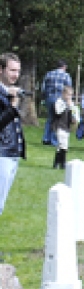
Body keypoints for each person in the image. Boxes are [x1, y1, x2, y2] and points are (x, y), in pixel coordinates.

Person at [0, 52, 25, 216]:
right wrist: (13, 105)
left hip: (12, 154)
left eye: (18, 71)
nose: (16, 74)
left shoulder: (9, 92)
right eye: (12, 70)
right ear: (1, 69)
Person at [41, 60, 72, 146]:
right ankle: (54, 140)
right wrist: (68, 99)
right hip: (60, 99)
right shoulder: (66, 75)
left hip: (49, 98)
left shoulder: (49, 74)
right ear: (64, 67)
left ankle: (46, 138)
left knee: (50, 118)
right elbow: (68, 88)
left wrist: (44, 97)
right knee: (58, 120)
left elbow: (43, 88)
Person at [52, 85, 77, 169]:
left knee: (61, 146)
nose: (69, 97)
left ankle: (56, 163)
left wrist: (74, 116)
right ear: (63, 94)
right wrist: (66, 105)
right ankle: (63, 163)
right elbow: (58, 111)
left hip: (66, 126)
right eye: (68, 95)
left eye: (71, 95)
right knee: (63, 145)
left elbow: (74, 113)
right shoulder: (59, 102)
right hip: (59, 125)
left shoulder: (71, 104)